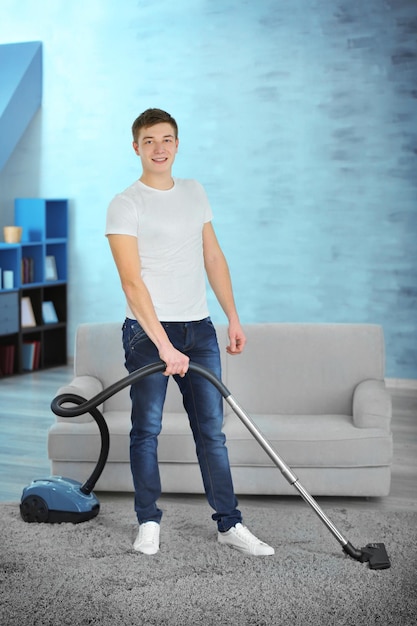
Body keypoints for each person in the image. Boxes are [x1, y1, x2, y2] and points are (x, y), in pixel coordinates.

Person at [105, 108, 274, 557]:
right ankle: (148, 523)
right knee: (147, 429)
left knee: (211, 433)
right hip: (147, 334)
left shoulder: (195, 192)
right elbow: (131, 282)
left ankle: (229, 524)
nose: (159, 148)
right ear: (136, 146)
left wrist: (232, 318)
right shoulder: (126, 203)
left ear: (177, 145)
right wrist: (163, 345)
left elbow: (213, 258)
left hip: (199, 328)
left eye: (167, 139)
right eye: (149, 140)